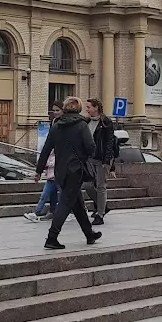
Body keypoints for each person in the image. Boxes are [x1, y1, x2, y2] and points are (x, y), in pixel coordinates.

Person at [35, 96, 101, 251]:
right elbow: (91, 148)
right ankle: (52, 237)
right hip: (76, 170)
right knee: (65, 203)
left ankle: (89, 233)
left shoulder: (56, 126)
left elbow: (46, 150)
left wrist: (39, 171)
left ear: (65, 109)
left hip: (60, 171)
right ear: (78, 109)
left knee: (77, 202)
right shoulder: (81, 125)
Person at [25, 103, 62, 222]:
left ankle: (41, 213)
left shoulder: (64, 125)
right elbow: (46, 154)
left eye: (58, 110)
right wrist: (40, 170)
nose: (55, 113)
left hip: (59, 174)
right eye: (53, 110)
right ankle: (49, 212)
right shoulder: (54, 123)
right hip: (51, 176)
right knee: (50, 195)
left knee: (59, 195)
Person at [85, 98, 117, 225]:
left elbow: (109, 143)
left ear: (96, 108)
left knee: (100, 186)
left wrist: (108, 161)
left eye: (88, 107)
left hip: (101, 159)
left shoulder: (106, 122)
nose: (86, 110)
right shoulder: (86, 121)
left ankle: (100, 214)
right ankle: (103, 206)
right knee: (87, 185)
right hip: (88, 159)